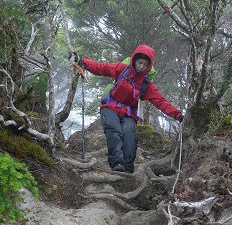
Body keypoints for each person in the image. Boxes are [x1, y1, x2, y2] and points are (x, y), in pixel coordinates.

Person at [69, 44, 183, 173]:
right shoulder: (122, 69)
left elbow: (161, 102)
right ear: (134, 60)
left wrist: (178, 115)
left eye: (145, 65)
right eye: (140, 62)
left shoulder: (146, 85)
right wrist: (82, 61)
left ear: (149, 66)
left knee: (129, 134)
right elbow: (101, 68)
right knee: (114, 129)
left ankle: (128, 168)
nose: (141, 67)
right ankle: (117, 162)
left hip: (128, 113)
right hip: (110, 107)